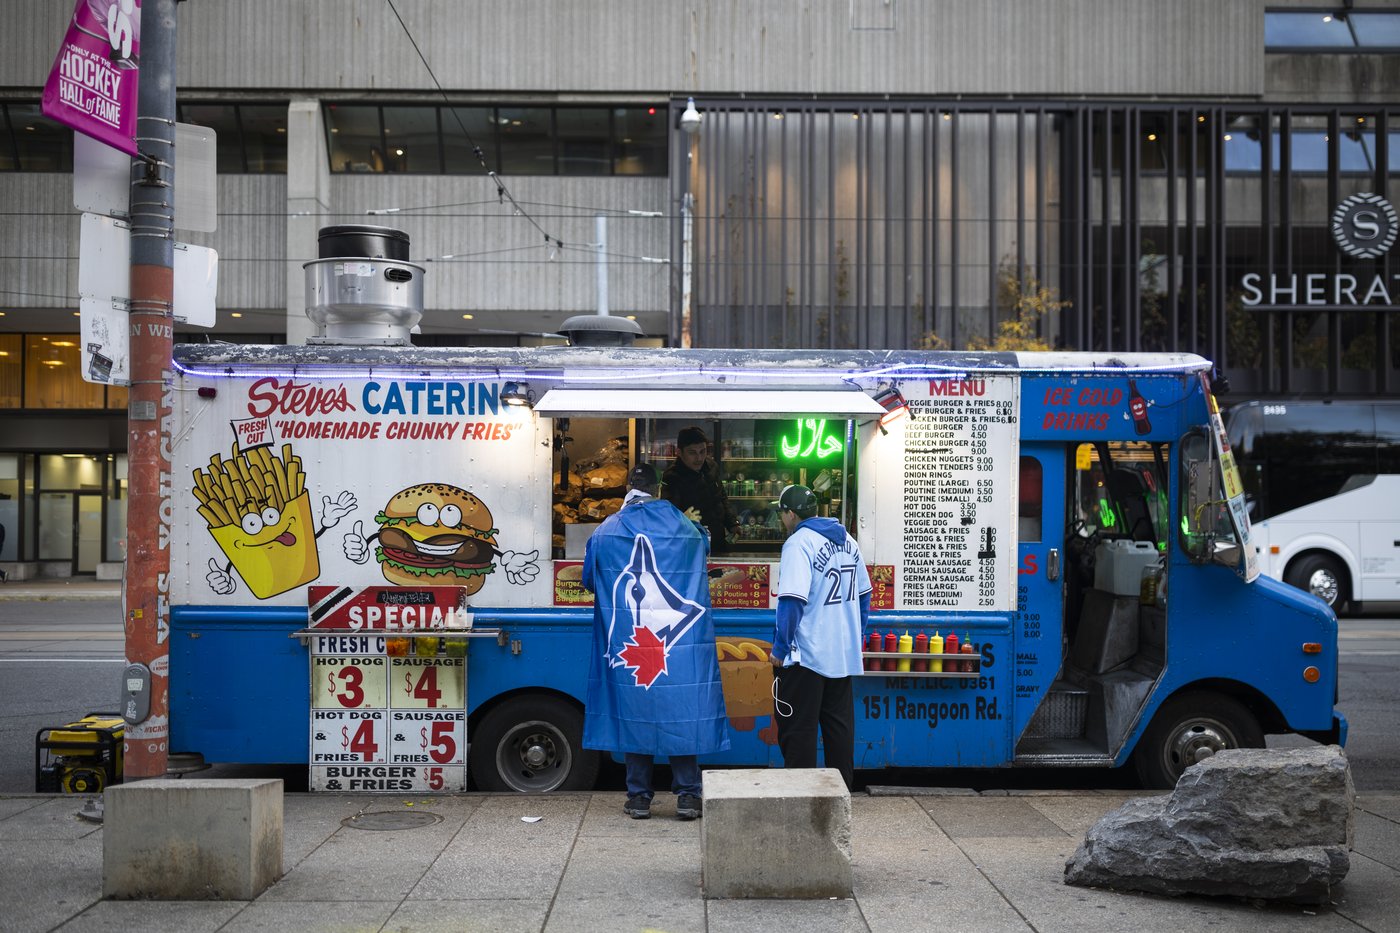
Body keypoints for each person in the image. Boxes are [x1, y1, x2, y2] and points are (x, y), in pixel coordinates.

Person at [581, 462, 729, 820]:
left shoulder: (606, 530)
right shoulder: (685, 527)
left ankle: (639, 798)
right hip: (678, 645)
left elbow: (590, 580)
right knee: (682, 710)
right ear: (658, 488)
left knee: (636, 710)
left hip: (631, 640)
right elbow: (705, 552)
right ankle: (688, 796)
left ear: (627, 488)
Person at [768, 483, 870, 790]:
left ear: (790, 514)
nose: (782, 519)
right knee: (839, 731)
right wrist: (854, 637)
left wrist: (780, 648)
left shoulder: (799, 543)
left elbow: (792, 601)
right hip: (842, 655)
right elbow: (865, 596)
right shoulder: (848, 541)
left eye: (781, 513)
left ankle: (801, 799)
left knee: (798, 732)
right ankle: (841, 796)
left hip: (807, 657)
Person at [661, 426, 740, 554]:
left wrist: (732, 523)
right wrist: (682, 519)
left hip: (718, 539)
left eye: (703, 451)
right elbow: (668, 518)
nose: (699, 458)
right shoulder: (672, 478)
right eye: (692, 453)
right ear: (679, 452)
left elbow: (722, 497)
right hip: (691, 544)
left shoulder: (712, 466)